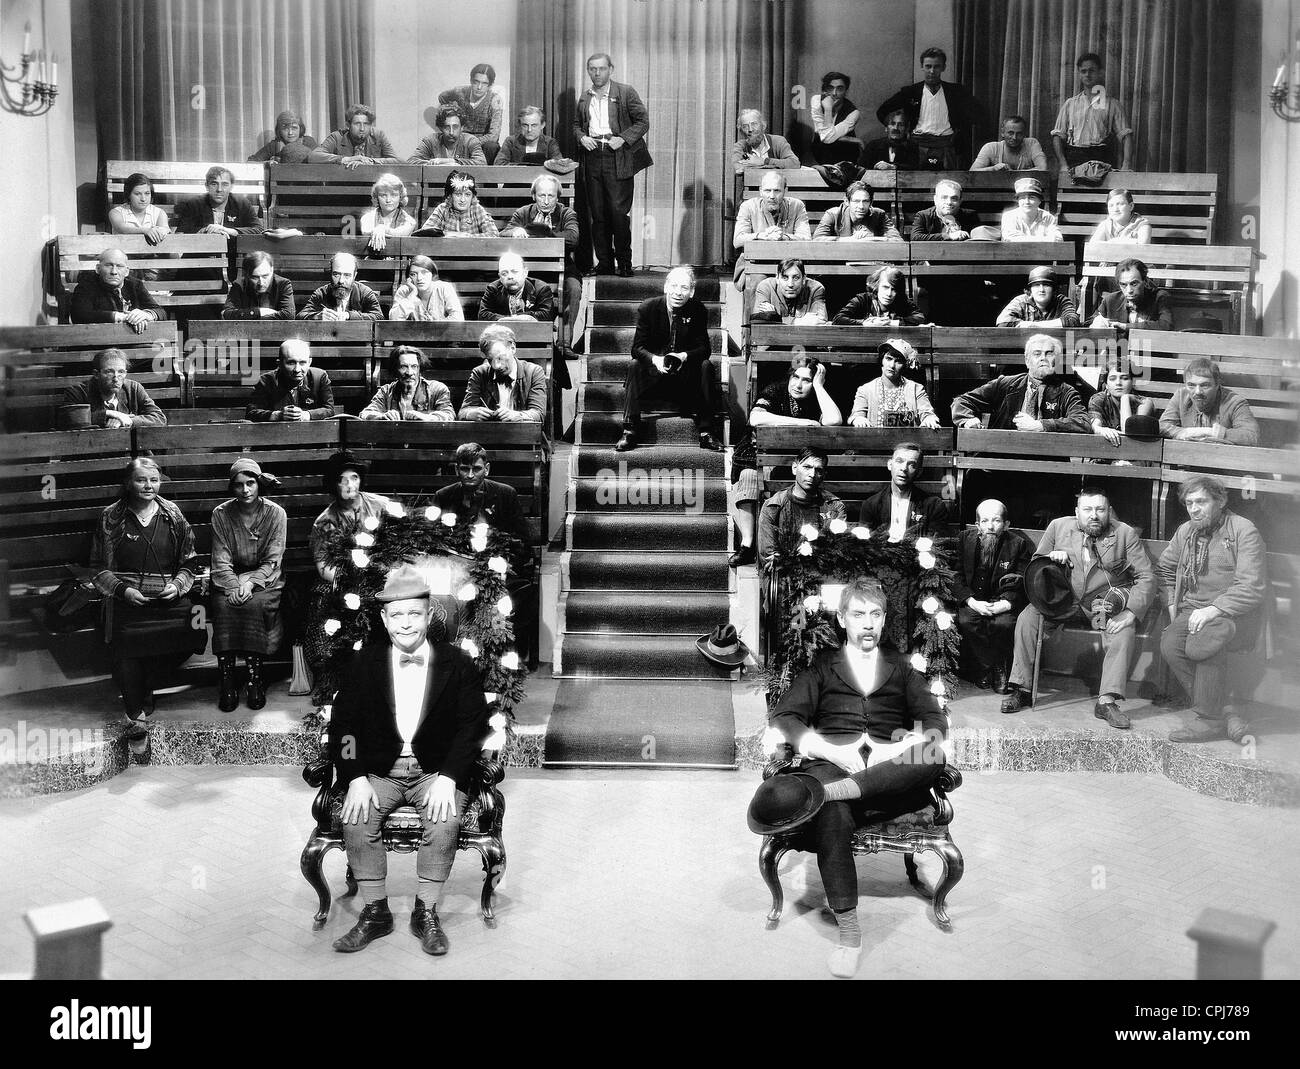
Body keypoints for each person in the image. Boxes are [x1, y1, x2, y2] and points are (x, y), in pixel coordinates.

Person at [756, 576, 952, 977]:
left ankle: (835, 794)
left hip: (889, 773)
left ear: (883, 620)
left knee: (932, 752)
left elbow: (934, 720)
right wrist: (828, 750)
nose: (868, 623)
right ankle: (850, 935)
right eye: (858, 614)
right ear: (842, 618)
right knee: (833, 807)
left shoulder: (900, 667)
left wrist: (897, 748)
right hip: (832, 763)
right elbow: (785, 716)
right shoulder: (823, 666)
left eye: (876, 614)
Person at [327, 563, 490, 955]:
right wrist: (355, 777)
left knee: (444, 817)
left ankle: (426, 911)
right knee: (357, 815)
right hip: (379, 770)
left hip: (434, 770)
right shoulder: (364, 663)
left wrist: (450, 778)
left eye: (413, 614)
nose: (405, 624)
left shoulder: (458, 663)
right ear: (383, 619)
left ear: (429, 614)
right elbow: (343, 727)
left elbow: (473, 727)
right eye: (396, 615)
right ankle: (375, 911)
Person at [1000, 486, 1155, 728]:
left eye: (1100, 509)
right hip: (1061, 602)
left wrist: (1131, 612)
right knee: (1027, 619)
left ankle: (1106, 701)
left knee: (1122, 631)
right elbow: (1034, 565)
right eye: (1088, 509)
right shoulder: (1058, 527)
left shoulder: (1124, 534)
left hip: (1100, 608)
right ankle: (1022, 688)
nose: (1094, 515)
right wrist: (1050, 558)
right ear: (1077, 512)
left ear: (1109, 511)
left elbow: (1146, 577)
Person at [89, 458, 206, 745]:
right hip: (126, 599)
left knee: (194, 631)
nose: (148, 486)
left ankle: (148, 682)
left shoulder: (173, 514)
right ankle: (134, 713)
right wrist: (123, 591)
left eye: (153, 480)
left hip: (165, 597)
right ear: (128, 483)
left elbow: (189, 562)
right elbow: (97, 568)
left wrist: (177, 586)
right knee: (127, 644)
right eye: (141, 480)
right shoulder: (111, 517)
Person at [1158, 476, 1267, 744]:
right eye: (1189, 503)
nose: (1194, 509)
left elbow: (1251, 586)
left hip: (1234, 614)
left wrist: (1213, 610)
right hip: (1191, 610)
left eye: (1201, 502)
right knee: (1170, 644)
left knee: (1206, 640)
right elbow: (1165, 568)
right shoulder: (1186, 531)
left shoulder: (1244, 530)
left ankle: (1208, 720)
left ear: (1220, 501)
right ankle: (1225, 711)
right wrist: (1173, 605)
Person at [730, 357, 843, 567]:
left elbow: (834, 420)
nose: (798, 385)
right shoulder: (775, 390)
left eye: (807, 380)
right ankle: (747, 545)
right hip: (761, 457)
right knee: (748, 476)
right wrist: (804, 423)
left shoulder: (819, 395)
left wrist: (818, 387)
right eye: (795, 377)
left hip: (796, 465)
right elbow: (755, 418)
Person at [210, 458, 287, 713]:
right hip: (229, 578)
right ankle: (227, 681)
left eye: (251, 483)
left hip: (266, 578)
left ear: (258, 484)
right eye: (239, 485)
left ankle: (255, 679)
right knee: (224, 606)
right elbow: (220, 559)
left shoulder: (276, 513)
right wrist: (233, 585)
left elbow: (274, 558)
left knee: (254, 606)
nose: (245, 490)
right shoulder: (221, 514)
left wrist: (252, 582)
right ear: (231, 488)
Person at [613, 267, 719, 452]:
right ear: (665, 287)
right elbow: (636, 349)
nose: (678, 292)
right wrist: (655, 359)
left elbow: (705, 349)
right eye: (674, 286)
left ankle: (706, 432)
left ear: (692, 291)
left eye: (684, 287)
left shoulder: (698, 309)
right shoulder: (648, 308)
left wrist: (684, 357)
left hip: (684, 380)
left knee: (706, 365)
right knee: (634, 364)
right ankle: (629, 430)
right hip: (655, 377)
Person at [573, 52, 652, 277]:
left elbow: (643, 121)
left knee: (618, 213)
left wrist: (623, 138)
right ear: (588, 71)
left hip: (617, 156)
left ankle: (624, 263)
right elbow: (576, 125)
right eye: (592, 69)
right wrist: (581, 137)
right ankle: (605, 263)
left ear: (611, 69)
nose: (596, 73)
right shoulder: (585, 96)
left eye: (601, 68)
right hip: (592, 157)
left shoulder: (625, 92)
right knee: (598, 214)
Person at [954, 499, 1035, 692]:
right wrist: (971, 601)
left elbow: (1022, 578)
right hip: (973, 600)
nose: (990, 526)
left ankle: (997, 666)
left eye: (996, 521)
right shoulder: (964, 540)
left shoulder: (1018, 544)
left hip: (1002, 602)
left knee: (1004, 623)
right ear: (977, 525)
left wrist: (1005, 604)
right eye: (984, 521)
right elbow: (955, 574)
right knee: (966, 621)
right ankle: (989, 666)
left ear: (1006, 524)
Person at [952, 333, 1089, 433]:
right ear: (1027, 360)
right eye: (1037, 354)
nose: (1043, 358)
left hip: (1046, 463)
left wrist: (1040, 425)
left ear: (1057, 360)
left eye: (1049, 354)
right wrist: (967, 419)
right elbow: (962, 401)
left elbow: (1082, 422)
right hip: (1002, 460)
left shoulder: (1067, 392)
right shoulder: (1004, 384)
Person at [876, 47, 985, 168]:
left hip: (947, 145)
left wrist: (960, 129)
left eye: (936, 66)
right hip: (917, 145)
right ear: (922, 66)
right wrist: (901, 130)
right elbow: (882, 111)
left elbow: (980, 114)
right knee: (915, 183)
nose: (932, 71)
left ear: (943, 67)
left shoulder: (956, 91)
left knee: (948, 183)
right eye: (928, 66)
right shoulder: (910, 92)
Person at [502, 173, 581, 321]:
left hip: (562, 268)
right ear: (533, 196)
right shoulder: (523, 212)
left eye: (550, 196)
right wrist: (515, 232)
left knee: (574, 288)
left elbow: (573, 239)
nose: (545, 201)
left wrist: (544, 233)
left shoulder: (566, 213)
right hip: (531, 269)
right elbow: (503, 234)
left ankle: (565, 342)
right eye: (541, 195)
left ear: (557, 197)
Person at [756, 446, 847, 572]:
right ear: (794, 468)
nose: (812, 474)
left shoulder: (835, 507)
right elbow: (769, 556)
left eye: (818, 470)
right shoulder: (773, 506)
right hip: (784, 575)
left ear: (824, 475)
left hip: (822, 572)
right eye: (807, 467)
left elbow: (836, 551)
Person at [310, 453, 390, 585]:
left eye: (354, 478)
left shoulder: (381, 505)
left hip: (385, 575)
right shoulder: (324, 523)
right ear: (334, 484)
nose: (350, 485)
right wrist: (351, 583)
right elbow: (323, 566)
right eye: (342, 480)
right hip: (347, 582)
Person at [432, 442, 529, 545]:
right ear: (456, 470)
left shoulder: (506, 495)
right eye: (464, 469)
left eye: (476, 469)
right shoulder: (443, 496)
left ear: (486, 469)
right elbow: (431, 538)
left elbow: (521, 541)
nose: (470, 475)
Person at [1052, 52, 1134, 172]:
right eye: (1083, 71)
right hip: (1075, 159)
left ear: (1100, 72)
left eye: (1092, 71)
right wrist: (1063, 164)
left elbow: (1126, 136)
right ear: (1079, 74)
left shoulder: (1112, 104)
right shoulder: (1070, 104)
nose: (1087, 75)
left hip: (1102, 158)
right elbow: (1057, 136)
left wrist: (1126, 164)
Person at [733, 171, 811, 287]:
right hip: (757, 264)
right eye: (767, 190)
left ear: (785, 190)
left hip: (789, 264)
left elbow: (806, 239)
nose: (772, 196)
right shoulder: (748, 207)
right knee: (757, 281)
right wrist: (761, 236)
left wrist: (783, 237)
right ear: (760, 191)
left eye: (777, 191)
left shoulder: (797, 206)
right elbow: (738, 240)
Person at [1158, 358, 1260, 446]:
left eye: (1205, 385)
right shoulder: (1181, 395)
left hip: (1221, 462)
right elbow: (1162, 426)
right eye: (1191, 385)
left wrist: (1220, 433)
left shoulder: (1235, 402)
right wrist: (1189, 432)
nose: (1197, 391)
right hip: (1185, 460)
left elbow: (1252, 436)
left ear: (1217, 384)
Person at [858, 441, 950, 536]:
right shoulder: (871, 505)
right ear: (890, 465)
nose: (904, 468)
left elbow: (937, 544)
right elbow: (863, 544)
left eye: (912, 465)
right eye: (899, 461)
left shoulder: (933, 506)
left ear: (919, 471)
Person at [459, 324, 547, 423]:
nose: (496, 366)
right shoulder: (479, 373)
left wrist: (518, 416)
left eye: (500, 358)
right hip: (489, 435)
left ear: (513, 348)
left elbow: (538, 413)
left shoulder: (534, 372)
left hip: (523, 435)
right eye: (490, 359)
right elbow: (463, 412)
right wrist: (471, 413)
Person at [60, 347, 167, 428]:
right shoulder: (77, 391)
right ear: (96, 374)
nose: (116, 378)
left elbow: (159, 418)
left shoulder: (134, 388)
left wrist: (128, 421)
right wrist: (108, 414)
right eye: (109, 372)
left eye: (121, 372)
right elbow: (68, 420)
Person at [848, 340, 940, 428]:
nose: (892, 365)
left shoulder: (916, 389)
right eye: (888, 359)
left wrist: (929, 419)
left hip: (909, 442)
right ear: (882, 360)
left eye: (898, 361)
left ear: (904, 365)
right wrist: (858, 419)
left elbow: (927, 413)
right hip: (875, 441)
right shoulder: (866, 390)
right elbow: (857, 414)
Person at [69, 248, 165, 332]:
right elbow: (79, 315)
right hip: (98, 342)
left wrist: (145, 315)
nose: (114, 272)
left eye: (119, 266)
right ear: (98, 269)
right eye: (108, 265)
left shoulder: (135, 285)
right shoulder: (86, 286)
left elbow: (161, 312)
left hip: (132, 341)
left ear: (126, 271)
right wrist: (121, 317)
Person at [246, 338, 335, 421]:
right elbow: (251, 413)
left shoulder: (319, 377)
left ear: (309, 362)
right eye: (291, 363)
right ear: (279, 363)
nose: (297, 369)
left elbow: (329, 410)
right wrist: (278, 415)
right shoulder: (265, 381)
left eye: (302, 363)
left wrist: (306, 415)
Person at [360, 345, 455, 422]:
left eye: (414, 366)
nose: (409, 372)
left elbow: (449, 415)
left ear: (419, 368)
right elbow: (365, 414)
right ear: (395, 369)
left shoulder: (437, 389)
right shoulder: (386, 391)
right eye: (404, 367)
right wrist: (381, 417)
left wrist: (427, 418)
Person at [438, 64, 505, 163]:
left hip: (482, 143)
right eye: (476, 82)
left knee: (492, 146)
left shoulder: (495, 100)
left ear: (490, 85)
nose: (479, 87)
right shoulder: (460, 92)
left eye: (484, 83)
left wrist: (472, 142)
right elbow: (442, 97)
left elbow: (494, 136)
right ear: (471, 81)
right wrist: (451, 111)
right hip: (460, 138)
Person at [173, 166, 263, 236]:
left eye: (225, 184)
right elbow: (180, 234)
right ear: (206, 186)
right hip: (202, 256)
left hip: (233, 257)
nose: (219, 189)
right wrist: (202, 232)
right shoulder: (194, 204)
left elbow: (259, 229)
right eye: (214, 184)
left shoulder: (242, 203)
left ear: (231, 186)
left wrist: (229, 230)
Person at [1089, 258, 1173, 330]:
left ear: (1145, 281)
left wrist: (1125, 326)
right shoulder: (1110, 300)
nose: (1129, 290)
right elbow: (1088, 324)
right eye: (1123, 285)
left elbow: (1166, 325)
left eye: (1134, 284)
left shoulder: (1160, 297)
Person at [298, 252, 384, 321]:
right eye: (336, 274)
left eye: (347, 275)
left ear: (354, 276)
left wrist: (349, 315)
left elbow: (379, 317)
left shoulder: (364, 292)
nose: (341, 281)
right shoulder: (321, 293)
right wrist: (317, 317)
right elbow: (300, 316)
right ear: (330, 273)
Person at [309, 104, 401, 168]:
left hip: (371, 186)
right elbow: (314, 156)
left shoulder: (378, 136)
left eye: (366, 124)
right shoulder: (337, 137)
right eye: (357, 124)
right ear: (348, 125)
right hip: (343, 187)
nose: (362, 128)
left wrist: (370, 161)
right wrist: (348, 159)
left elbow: (397, 161)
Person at [833, 266, 925, 327]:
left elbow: (920, 318)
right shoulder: (862, 299)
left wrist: (891, 322)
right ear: (876, 286)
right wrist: (865, 323)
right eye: (885, 287)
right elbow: (838, 319)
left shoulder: (902, 301)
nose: (889, 293)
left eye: (894, 289)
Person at [417, 170, 500, 237]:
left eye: (467, 195)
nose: (463, 200)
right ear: (450, 196)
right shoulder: (442, 209)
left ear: (473, 196)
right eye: (458, 194)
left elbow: (494, 234)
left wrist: (467, 236)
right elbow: (426, 232)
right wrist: (446, 234)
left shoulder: (477, 209)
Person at [1089, 360, 1154, 444]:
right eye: (1112, 379)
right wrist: (1102, 430)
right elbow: (1095, 426)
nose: (1118, 383)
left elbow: (1129, 433)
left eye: (1125, 378)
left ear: (1133, 382)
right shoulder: (1098, 399)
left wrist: (1125, 399)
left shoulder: (1144, 402)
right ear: (1106, 385)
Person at [478, 252, 557, 322]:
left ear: (525, 272)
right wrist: (520, 319)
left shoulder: (541, 289)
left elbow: (546, 315)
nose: (510, 277)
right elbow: (482, 315)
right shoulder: (493, 289)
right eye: (504, 273)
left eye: (514, 272)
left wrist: (506, 319)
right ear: (500, 277)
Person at [813, 182, 902, 241]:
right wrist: (849, 240)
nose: (861, 206)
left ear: (871, 202)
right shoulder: (832, 214)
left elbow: (897, 240)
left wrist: (873, 239)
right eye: (856, 201)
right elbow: (817, 239)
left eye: (865, 201)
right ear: (847, 202)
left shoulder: (879, 215)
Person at [996, 266, 1080, 328]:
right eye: (1036, 285)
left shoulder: (1061, 301)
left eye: (1046, 285)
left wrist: (1033, 325)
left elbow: (1073, 321)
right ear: (1030, 289)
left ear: (1054, 289)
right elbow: (1003, 322)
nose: (1041, 290)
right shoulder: (1021, 301)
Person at [750, 258, 828, 324]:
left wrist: (775, 318)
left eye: (796, 278)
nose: (790, 284)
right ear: (777, 278)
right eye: (785, 277)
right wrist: (802, 321)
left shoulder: (816, 288)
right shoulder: (766, 287)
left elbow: (820, 320)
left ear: (804, 279)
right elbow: (758, 321)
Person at [388, 255, 463, 322]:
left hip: (441, 336)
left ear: (432, 274)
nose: (419, 278)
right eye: (413, 274)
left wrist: (433, 326)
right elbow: (393, 320)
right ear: (409, 278)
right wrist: (411, 296)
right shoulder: (404, 291)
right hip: (413, 336)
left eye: (424, 272)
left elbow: (458, 318)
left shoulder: (445, 288)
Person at [223, 251, 295, 319]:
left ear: (272, 270)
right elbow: (227, 314)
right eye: (255, 277)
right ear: (247, 275)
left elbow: (289, 315)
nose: (261, 283)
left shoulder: (283, 284)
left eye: (265, 276)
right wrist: (260, 312)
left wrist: (248, 315)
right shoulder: (238, 285)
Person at [408, 104, 488, 166]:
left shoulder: (470, 140)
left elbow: (481, 163)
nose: (451, 132)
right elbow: (411, 162)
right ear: (440, 128)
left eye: (455, 127)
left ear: (462, 127)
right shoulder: (430, 140)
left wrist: (452, 161)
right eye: (447, 127)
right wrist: (435, 164)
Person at [809, 71, 861, 164]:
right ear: (824, 90)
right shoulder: (816, 100)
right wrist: (850, 139)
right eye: (830, 88)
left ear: (846, 91)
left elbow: (827, 137)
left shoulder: (854, 113)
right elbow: (824, 136)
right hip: (821, 151)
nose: (834, 93)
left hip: (845, 153)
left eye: (840, 89)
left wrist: (828, 109)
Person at [990, 177, 1063, 241]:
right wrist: (1044, 239)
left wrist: (1024, 238)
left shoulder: (1048, 217)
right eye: (1022, 198)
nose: (1027, 202)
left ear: (1039, 201)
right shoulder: (1009, 216)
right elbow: (1010, 239)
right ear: (1018, 201)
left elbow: (1057, 239)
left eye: (1032, 198)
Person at [359, 173, 417, 254]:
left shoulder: (410, 221)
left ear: (400, 197)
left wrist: (382, 228)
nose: (388, 200)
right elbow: (366, 232)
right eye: (383, 195)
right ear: (377, 197)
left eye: (394, 195)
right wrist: (376, 230)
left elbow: (399, 234)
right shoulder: (367, 218)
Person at [910, 179, 982, 241]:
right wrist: (948, 236)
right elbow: (915, 237)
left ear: (960, 201)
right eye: (944, 197)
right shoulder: (923, 216)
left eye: (954, 198)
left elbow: (980, 238)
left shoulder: (971, 216)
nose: (949, 202)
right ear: (935, 199)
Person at [732, 109, 800, 173]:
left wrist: (764, 161)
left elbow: (794, 163)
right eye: (745, 126)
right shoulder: (740, 146)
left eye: (754, 124)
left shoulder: (778, 141)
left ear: (763, 126)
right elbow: (738, 168)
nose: (750, 129)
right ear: (741, 131)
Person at [108, 172, 169, 244]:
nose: (143, 199)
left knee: (173, 254)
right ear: (128, 195)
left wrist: (162, 231)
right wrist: (145, 230)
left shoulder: (159, 213)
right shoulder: (116, 213)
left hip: (153, 252)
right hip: (124, 251)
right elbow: (121, 228)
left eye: (147, 193)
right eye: (137, 194)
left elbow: (164, 229)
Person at [970, 115, 1047, 171]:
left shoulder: (1032, 144)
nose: (1014, 137)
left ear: (1024, 134)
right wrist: (993, 168)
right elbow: (973, 171)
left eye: (1019, 134)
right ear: (1003, 133)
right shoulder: (991, 148)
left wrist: (1013, 173)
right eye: (1010, 133)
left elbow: (1043, 168)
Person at [857, 107, 921, 170]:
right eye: (892, 124)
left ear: (906, 129)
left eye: (900, 125)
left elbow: (914, 167)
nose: (896, 128)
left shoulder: (912, 146)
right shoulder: (873, 146)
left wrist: (893, 167)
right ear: (886, 128)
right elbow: (862, 168)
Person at [496, 105, 564, 165]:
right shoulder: (511, 141)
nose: (529, 130)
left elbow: (558, 165)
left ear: (542, 125)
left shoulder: (550, 143)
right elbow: (499, 164)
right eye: (525, 125)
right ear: (520, 125)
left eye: (534, 125)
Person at [247, 109, 317, 163]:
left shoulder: (307, 142)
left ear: (300, 128)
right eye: (285, 129)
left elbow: (320, 159)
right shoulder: (275, 146)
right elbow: (251, 161)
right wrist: (267, 163)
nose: (290, 133)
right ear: (279, 130)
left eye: (294, 128)